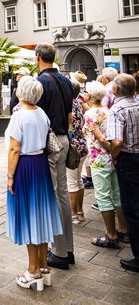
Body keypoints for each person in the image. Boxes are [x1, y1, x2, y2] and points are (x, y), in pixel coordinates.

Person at [6, 75, 63, 291]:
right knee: (41, 214)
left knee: (30, 217)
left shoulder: (19, 117)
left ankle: (33, 271)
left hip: (25, 167)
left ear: (21, 92)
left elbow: (14, 149)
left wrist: (10, 176)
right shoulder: (42, 114)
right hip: (41, 165)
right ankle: (43, 266)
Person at [35, 43, 74, 270]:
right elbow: (69, 113)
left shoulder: (41, 83)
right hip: (64, 138)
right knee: (62, 194)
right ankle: (67, 248)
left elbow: (38, 117)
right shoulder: (66, 80)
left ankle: (58, 252)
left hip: (49, 142)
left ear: (38, 57)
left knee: (53, 196)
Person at [83, 80, 128, 250]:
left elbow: (100, 138)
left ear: (90, 95)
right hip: (113, 159)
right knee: (117, 195)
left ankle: (111, 235)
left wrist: (108, 149)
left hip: (99, 159)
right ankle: (123, 229)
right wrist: (113, 153)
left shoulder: (90, 115)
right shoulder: (107, 110)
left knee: (103, 197)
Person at [107, 73, 139, 273]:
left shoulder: (117, 109)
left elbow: (117, 142)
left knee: (132, 208)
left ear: (117, 90)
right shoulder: (137, 104)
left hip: (129, 160)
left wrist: (114, 155)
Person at [67, 80, 88, 225]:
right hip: (82, 145)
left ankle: (73, 214)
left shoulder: (68, 106)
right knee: (79, 179)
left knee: (71, 182)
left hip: (73, 147)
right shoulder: (79, 104)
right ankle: (80, 211)